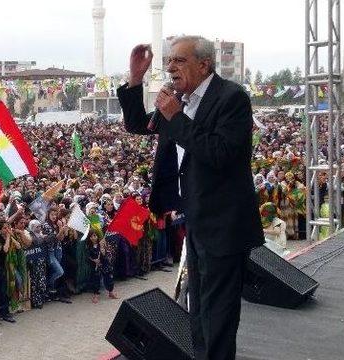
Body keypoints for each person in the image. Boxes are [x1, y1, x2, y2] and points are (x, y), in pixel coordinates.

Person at [118, 36, 264, 359]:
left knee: (219, 321)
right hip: (196, 224)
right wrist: (135, 80)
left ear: (204, 64)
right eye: (169, 60)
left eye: (179, 60)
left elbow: (221, 153)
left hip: (224, 227)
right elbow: (137, 124)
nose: (170, 67)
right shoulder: (181, 101)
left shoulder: (232, 98)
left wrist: (177, 119)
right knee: (198, 317)